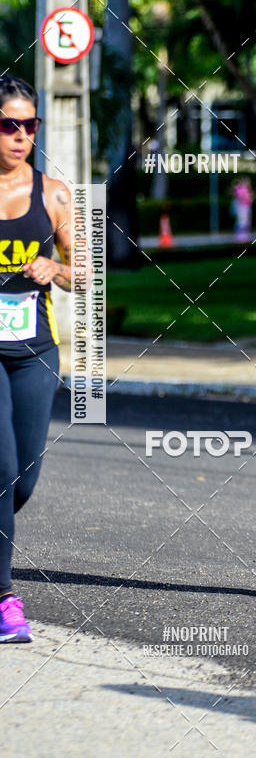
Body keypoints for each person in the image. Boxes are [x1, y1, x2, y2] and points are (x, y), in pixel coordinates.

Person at [0, 75, 74, 642]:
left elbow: (85, 273)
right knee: (0, 473)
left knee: (22, 481)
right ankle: (5, 599)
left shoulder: (54, 194)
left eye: (31, 125)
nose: (21, 134)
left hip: (35, 352)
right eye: (9, 125)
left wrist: (56, 270)